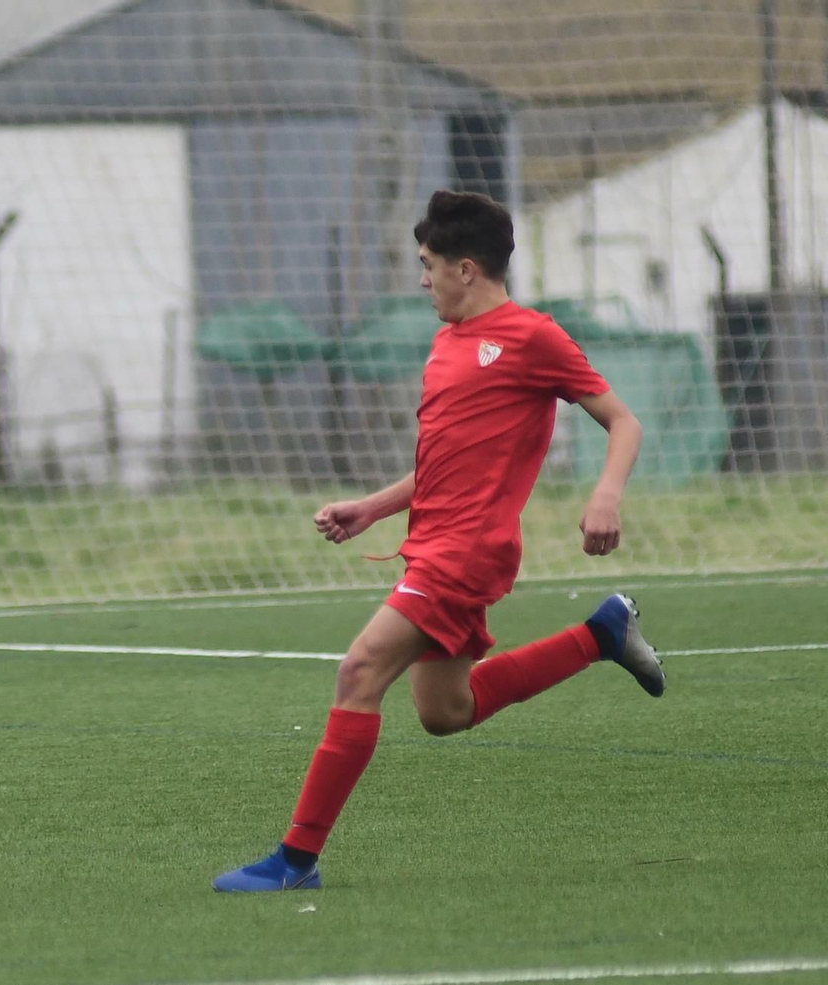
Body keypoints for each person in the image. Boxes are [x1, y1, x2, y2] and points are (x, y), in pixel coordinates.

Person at [212, 189, 662, 893]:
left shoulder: (532, 337)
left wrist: (603, 496)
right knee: (444, 712)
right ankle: (601, 635)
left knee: (359, 672)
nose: (421, 280)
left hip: (468, 551)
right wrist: (373, 507)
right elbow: (444, 463)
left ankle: (295, 859)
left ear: (467, 268)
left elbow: (624, 421)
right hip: (434, 544)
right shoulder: (447, 343)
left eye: (428, 265)